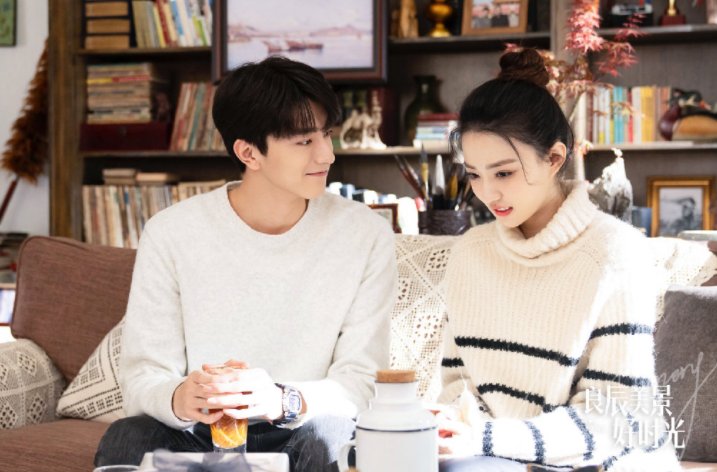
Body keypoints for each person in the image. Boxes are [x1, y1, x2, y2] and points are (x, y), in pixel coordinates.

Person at [94, 56, 398, 472]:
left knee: (331, 434)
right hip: (196, 431)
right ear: (248, 152)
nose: (327, 154)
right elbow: (144, 374)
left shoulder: (366, 233)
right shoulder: (171, 233)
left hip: (302, 423)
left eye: (326, 133)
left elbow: (362, 380)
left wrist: (282, 399)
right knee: (128, 434)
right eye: (304, 141)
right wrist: (179, 398)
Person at [434, 48, 682, 471]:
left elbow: (615, 418)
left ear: (554, 158)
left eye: (504, 172)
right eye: (474, 174)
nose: (487, 193)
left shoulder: (615, 254)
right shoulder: (469, 254)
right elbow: (457, 387)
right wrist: (452, 428)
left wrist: (488, 438)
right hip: (494, 457)